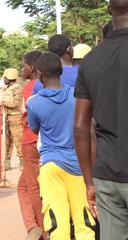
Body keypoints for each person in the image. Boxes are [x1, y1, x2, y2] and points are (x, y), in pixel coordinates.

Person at [74, 1, 128, 239]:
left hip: (107, 178)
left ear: (109, 10)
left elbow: (80, 128)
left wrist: (89, 182)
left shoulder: (90, 61)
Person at [27, 52, 95, 240]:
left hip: (51, 164)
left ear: (40, 74)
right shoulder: (77, 97)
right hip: (78, 164)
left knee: (57, 220)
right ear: (61, 71)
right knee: (84, 219)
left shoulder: (34, 103)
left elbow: (34, 129)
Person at [17, 51, 44, 240]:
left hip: (31, 140)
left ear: (32, 68)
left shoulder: (30, 88)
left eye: (24, 65)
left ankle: (41, 228)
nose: (22, 69)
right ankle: (32, 226)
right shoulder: (47, 84)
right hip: (44, 140)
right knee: (23, 186)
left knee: (32, 187)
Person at [1, 68, 23, 171]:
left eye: (4, 78)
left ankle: (23, 162)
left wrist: (3, 103)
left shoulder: (17, 88)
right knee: (7, 141)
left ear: (9, 78)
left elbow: (15, 103)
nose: (3, 80)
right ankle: (7, 163)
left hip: (16, 117)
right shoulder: (7, 88)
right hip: (7, 117)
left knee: (18, 140)